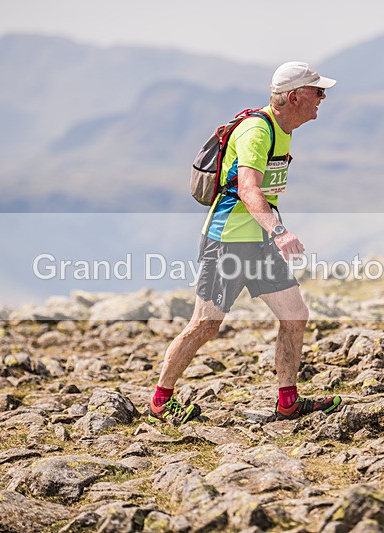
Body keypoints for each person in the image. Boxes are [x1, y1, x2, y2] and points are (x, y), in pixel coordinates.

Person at [148, 61, 342, 425]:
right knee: (206, 324)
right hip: (228, 242)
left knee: (295, 315)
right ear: (295, 97)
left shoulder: (283, 130)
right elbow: (248, 188)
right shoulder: (257, 131)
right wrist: (280, 231)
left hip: (258, 242)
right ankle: (161, 401)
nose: (323, 97)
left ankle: (288, 403)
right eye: (317, 91)